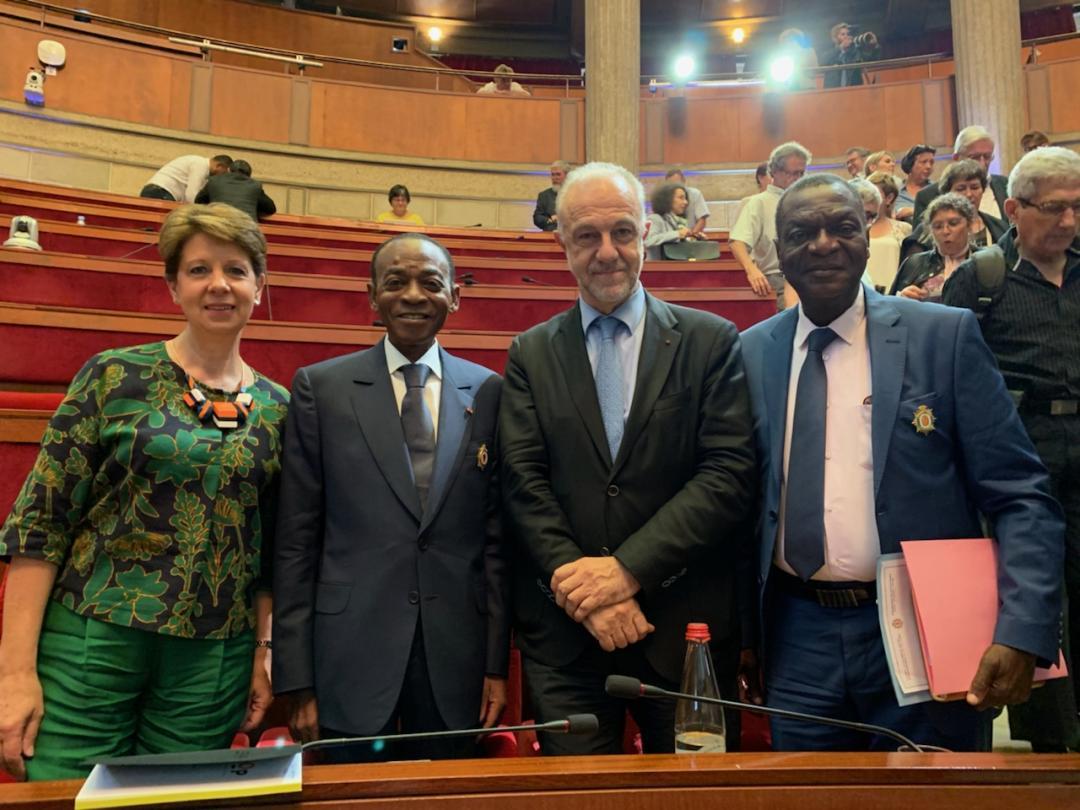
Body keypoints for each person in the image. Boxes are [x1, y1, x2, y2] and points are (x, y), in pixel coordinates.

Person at [740, 173, 1064, 752]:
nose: (822, 245)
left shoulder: (943, 335)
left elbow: (1020, 494)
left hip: (928, 627)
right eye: (800, 233)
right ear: (778, 251)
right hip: (797, 636)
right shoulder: (750, 352)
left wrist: (1022, 629)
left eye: (841, 227)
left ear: (869, 235)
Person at [0, 203, 289, 780]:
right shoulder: (113, 375)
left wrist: (264, 650)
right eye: (199, 270)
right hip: (92, 639)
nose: (219, 286)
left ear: (260, 285)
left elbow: (273, 550)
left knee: (176, 799)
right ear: (173, 286)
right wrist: (14, 674)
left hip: (213, 657)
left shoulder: (282, 408)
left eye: (236, 270)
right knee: (65, 793)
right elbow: (41, 524)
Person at [499, 162, 757, 755]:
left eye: (621, 232)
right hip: (568, 638)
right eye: (587, 236)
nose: (607, 252)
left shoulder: (710, 341)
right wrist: (588, 596)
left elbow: (726, 476)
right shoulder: (530, 354)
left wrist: (625, 571)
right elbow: (523, 484)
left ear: (646, 232)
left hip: (686, 634)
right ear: (562, 243)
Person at [272, 233, 510, 762]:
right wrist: (297, 675)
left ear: (454, 297)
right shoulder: (321, 388)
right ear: (371, 296)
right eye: (395, 282)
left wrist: (496, 664)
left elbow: (495, 542)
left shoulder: (489, 391)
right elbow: (295, 541)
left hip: (455, 658)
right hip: (346, 655)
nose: (412, 295)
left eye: (430, 283)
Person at [944, 145, 1080, 753]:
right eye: (1055, 208)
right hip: (1023, 459)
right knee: (1038, 593)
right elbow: (945, 369)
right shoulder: (984, 278)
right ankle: (1051, 739)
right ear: (1016, 209)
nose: (1070, 221)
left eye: (1079, 207)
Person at [730, 141, 811, 310]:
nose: (797, 179)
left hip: (809, 273)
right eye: (792, 173)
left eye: (801, 174)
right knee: (793, 315)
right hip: (777, 277)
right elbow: (737, 242)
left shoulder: (808, 200)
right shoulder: (759, 203)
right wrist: (752, 271)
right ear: (774, 171)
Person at [913, 126, 1009, 225]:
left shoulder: (1005, 185)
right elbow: (920, 238)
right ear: (956, 158)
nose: (982, 163)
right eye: (974, 157)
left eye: (987, 157)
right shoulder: (927, 196)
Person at [890, 193, 977, 299]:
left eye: (953, 223)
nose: (945, 231)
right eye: (938, 226)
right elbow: (889, 307)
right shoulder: (914, 263)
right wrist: (902, 298)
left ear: (969, 225)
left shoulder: (986, 262)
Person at [938, 160, 1008, 248]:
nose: (969, 194)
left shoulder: (1001, 227)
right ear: (947, 193)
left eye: (974, 187)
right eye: (961, 189)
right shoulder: (931, 230)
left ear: (983, 190)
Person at [863, 171, 912, 292]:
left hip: (895, 292)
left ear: (889, 198)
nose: (869, 199)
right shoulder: (856, 230)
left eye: (874, 194)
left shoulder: (904, 228)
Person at [194, 159, 277, 222]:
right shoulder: (254, 185)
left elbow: (198, 201)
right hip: (246, 229)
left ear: (229, 170)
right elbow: (271, 208)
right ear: (249, 175)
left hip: (219, 225)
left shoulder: (214, 180)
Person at [140, 154, 232, 203]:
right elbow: (191, 195)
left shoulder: (200, 166)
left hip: (155, 191)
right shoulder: (201, 165)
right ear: (219, 166)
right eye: (223, 173)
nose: (222, 177)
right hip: (160, 192)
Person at [645, 182, 695, 259]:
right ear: (668, 200)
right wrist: (677, 234)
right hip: (658, 268)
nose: (686, 202)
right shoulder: (655, 218)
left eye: (685, 198)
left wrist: (695, 237)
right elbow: (649, 241)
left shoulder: (678, 221)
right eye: (681, 198)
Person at [822, 22, 880, 89]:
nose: (846, 36)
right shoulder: (831, 53)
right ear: (835, 38)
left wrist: (875, 46)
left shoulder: (855, 52)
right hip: (834, 93)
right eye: (843, 34)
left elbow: (873, 59)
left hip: (853, 92)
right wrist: (840, 48)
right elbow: (822, 61)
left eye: (848, 34)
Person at [895, 144, 935, 222]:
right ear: (910, 164)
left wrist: (913, 211)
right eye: (924, 162)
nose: (928, 166)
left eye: (931, 162)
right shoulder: (895, 191)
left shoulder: (937, 190)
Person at [664, 169, 710, 236]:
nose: (675, 187)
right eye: (671, 185)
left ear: (684, 181)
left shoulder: (695, 194)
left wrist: (690, 235)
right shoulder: (664, 198)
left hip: (691, 238)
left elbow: (702, 219)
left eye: (677, 183)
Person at [533, 161, 570, 232]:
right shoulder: (544, 195)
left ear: (567, 176)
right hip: (550, 235)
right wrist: (550, 220)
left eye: (558, 174)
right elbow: (537, 218)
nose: (555, 178)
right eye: (553, 175)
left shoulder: (575, 194)